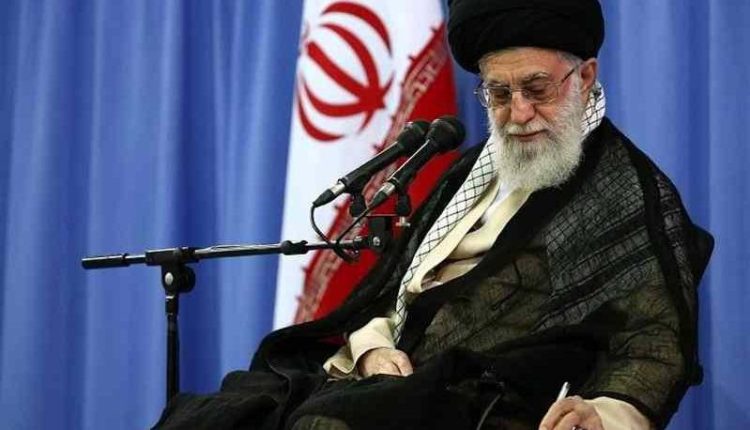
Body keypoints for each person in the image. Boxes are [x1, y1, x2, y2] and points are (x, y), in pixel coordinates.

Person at [154, 0, 713, 429]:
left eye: (536, 89)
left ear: (585, 77)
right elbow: (393, 291)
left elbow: (653, 340)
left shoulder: (627, 188)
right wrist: (373, 348)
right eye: (499, 94)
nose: (518, 113)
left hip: (483, 400)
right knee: (218, 413)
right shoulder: (468, 169)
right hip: (393, 382)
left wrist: (605, 413)